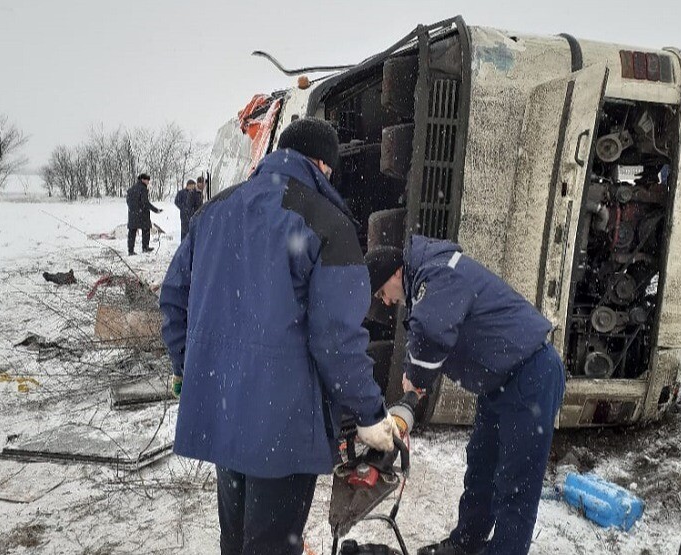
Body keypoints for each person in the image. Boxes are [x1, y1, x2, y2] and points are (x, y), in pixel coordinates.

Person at [159, 117, 399, 555]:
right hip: (282, 426)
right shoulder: (326, 222)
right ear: (324, 166)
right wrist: (369, 412)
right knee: (271, 546)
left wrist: (187, 369)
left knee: (235, 542)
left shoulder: (214, 210)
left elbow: (174, 301)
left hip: (224, 412)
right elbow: (337, 339)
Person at [365, 236, 566, 555]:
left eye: (381, 293)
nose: (386, 301)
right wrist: (411, 374)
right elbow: (421, 329)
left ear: (394, 273)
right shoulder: (427, 280)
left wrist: (416, 377)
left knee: (516, 483)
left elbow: (431, 330)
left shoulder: (440, 273)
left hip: (531, 374)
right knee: (482, 467)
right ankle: (466, 543)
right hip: (498, 381)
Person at [126, 173, 162, 255]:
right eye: (147, 180)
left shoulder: (131, 189)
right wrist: (156, 210)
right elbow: (145, 202)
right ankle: (145, 247)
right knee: (146, 229)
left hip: (132, 213)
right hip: (142, 214)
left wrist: (133, 209)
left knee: (132, 231)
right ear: (142, 180)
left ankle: (130, 250)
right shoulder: (143, 189)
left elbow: (128, 201)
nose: (148, 182)